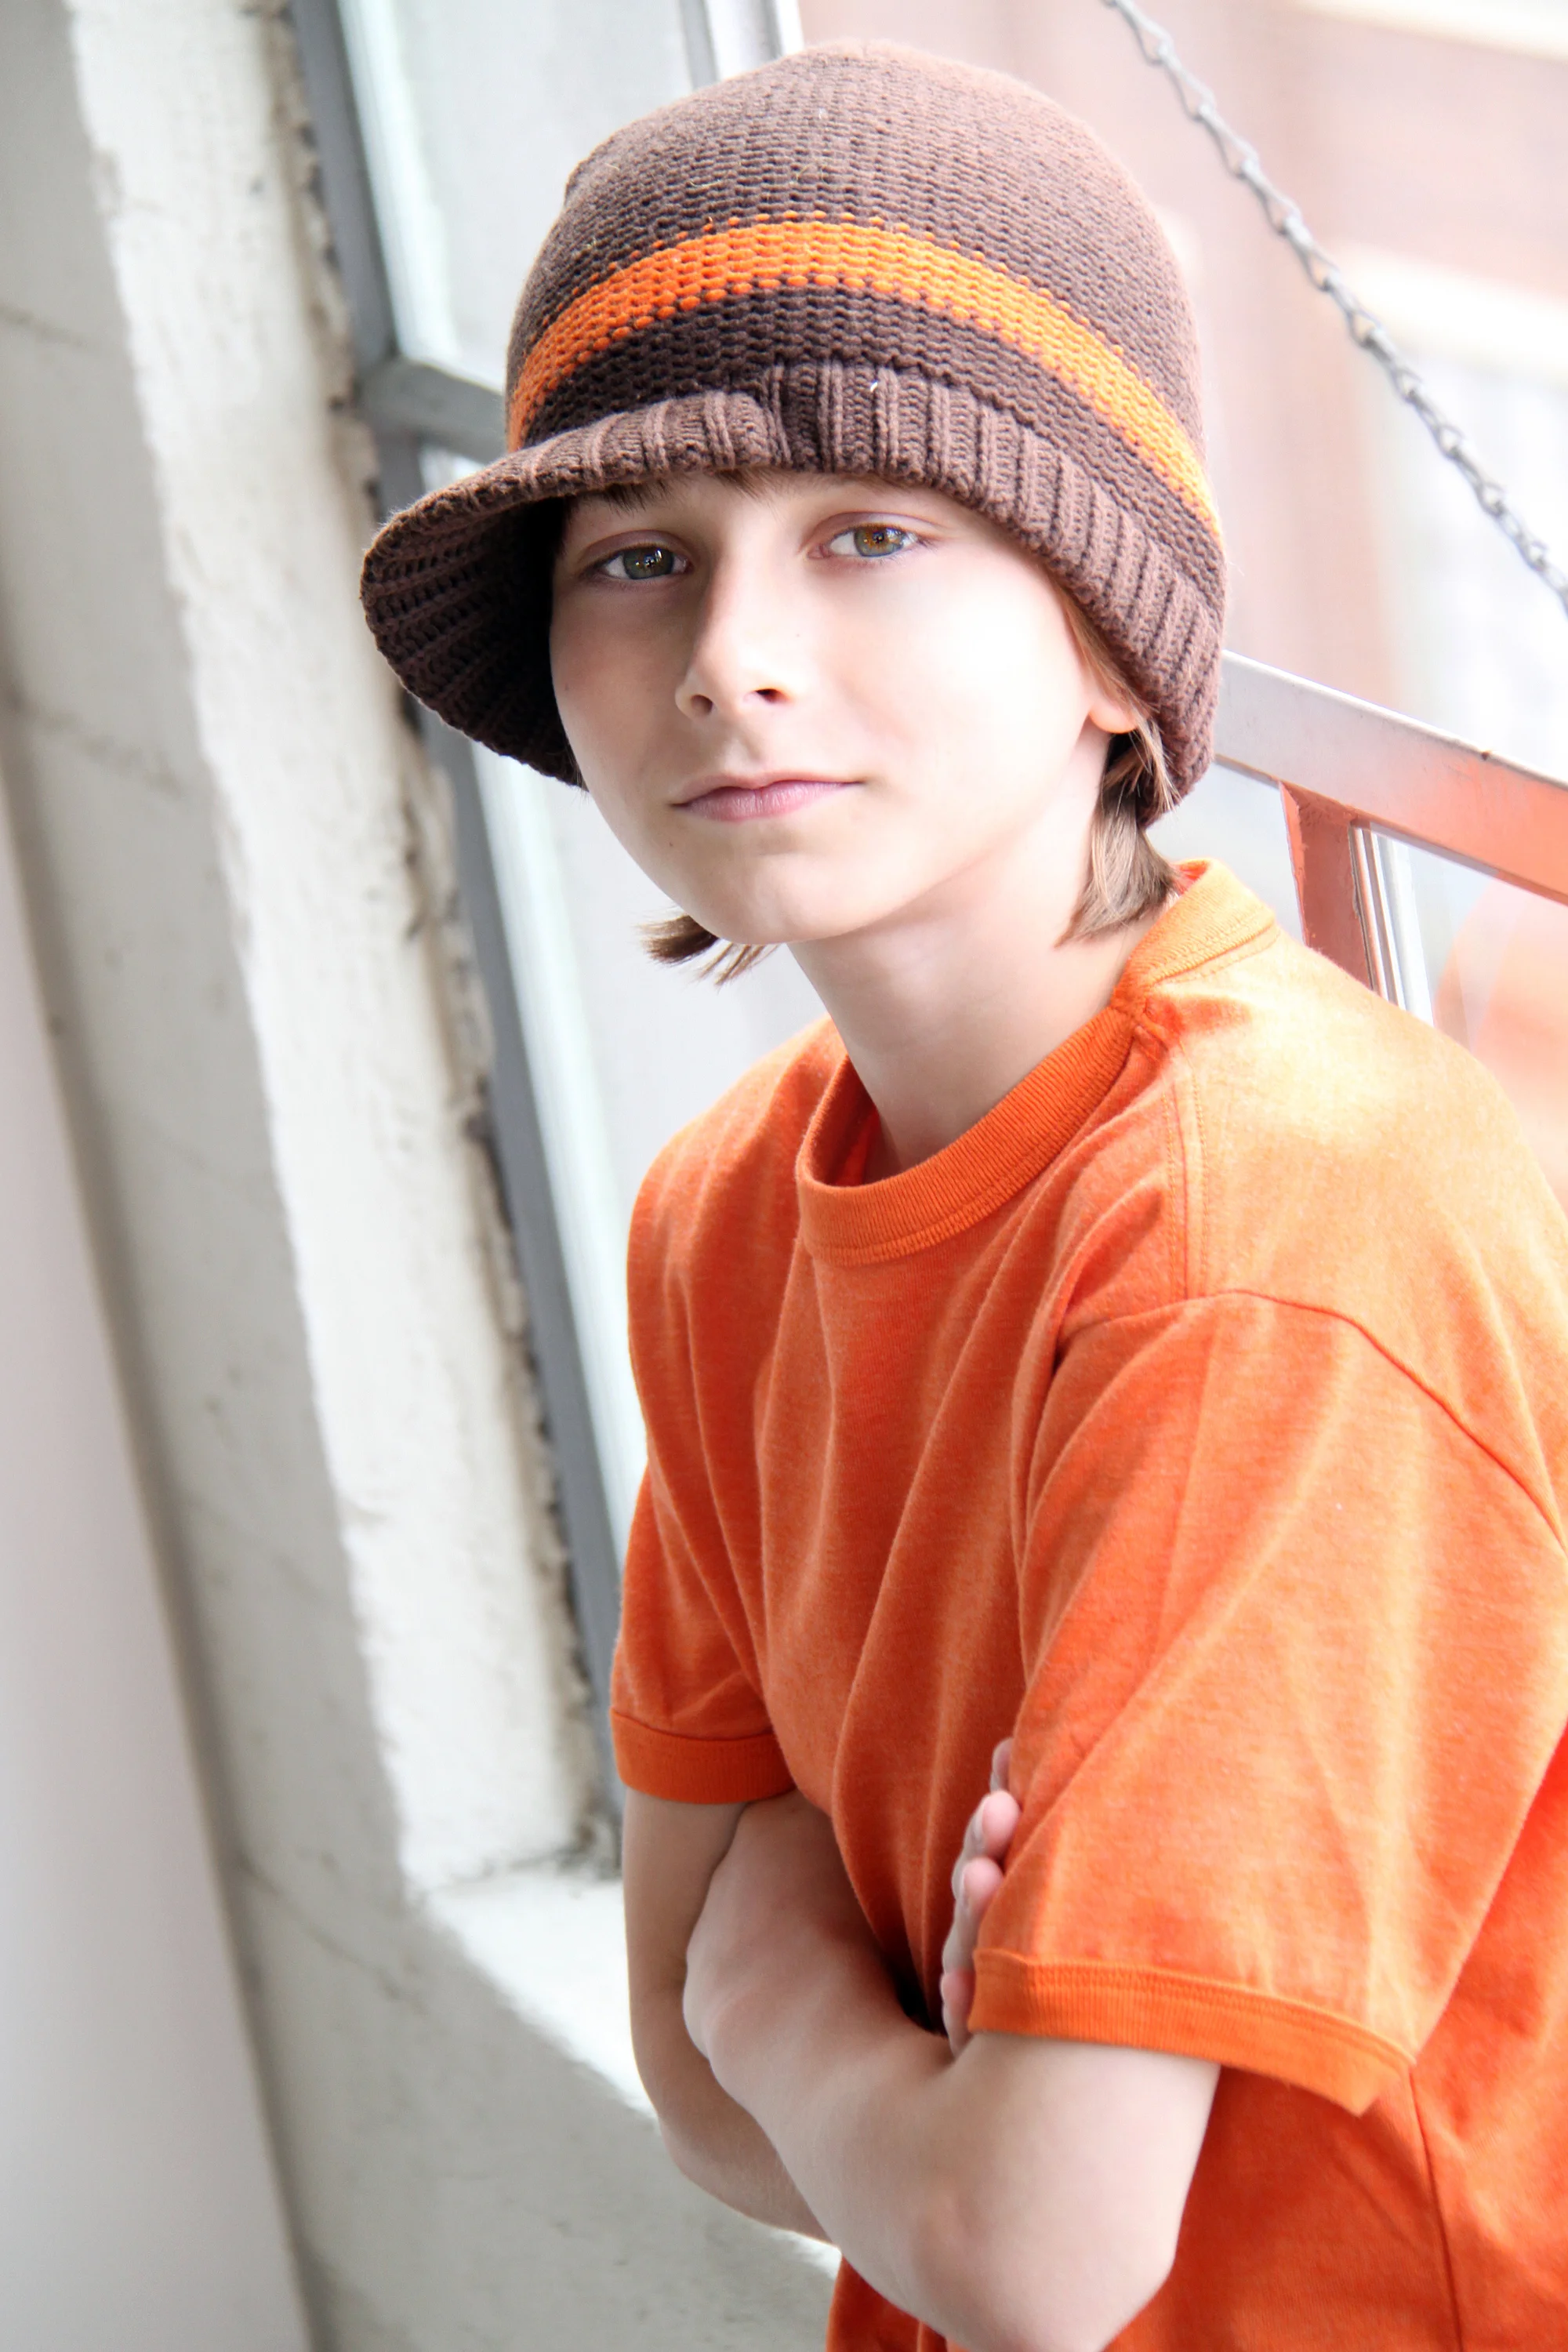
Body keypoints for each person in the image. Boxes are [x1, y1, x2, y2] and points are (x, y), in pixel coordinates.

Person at [360, 42, 1568, 2352]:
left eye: (872, 532)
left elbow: (1027, 2243)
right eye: (641, 559)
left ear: (1112, 641)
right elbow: (692, 2096)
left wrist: (795, 1971)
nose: (732, 656)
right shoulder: (730, 1208)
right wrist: (878, 2063)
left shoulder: (1273, 1231)